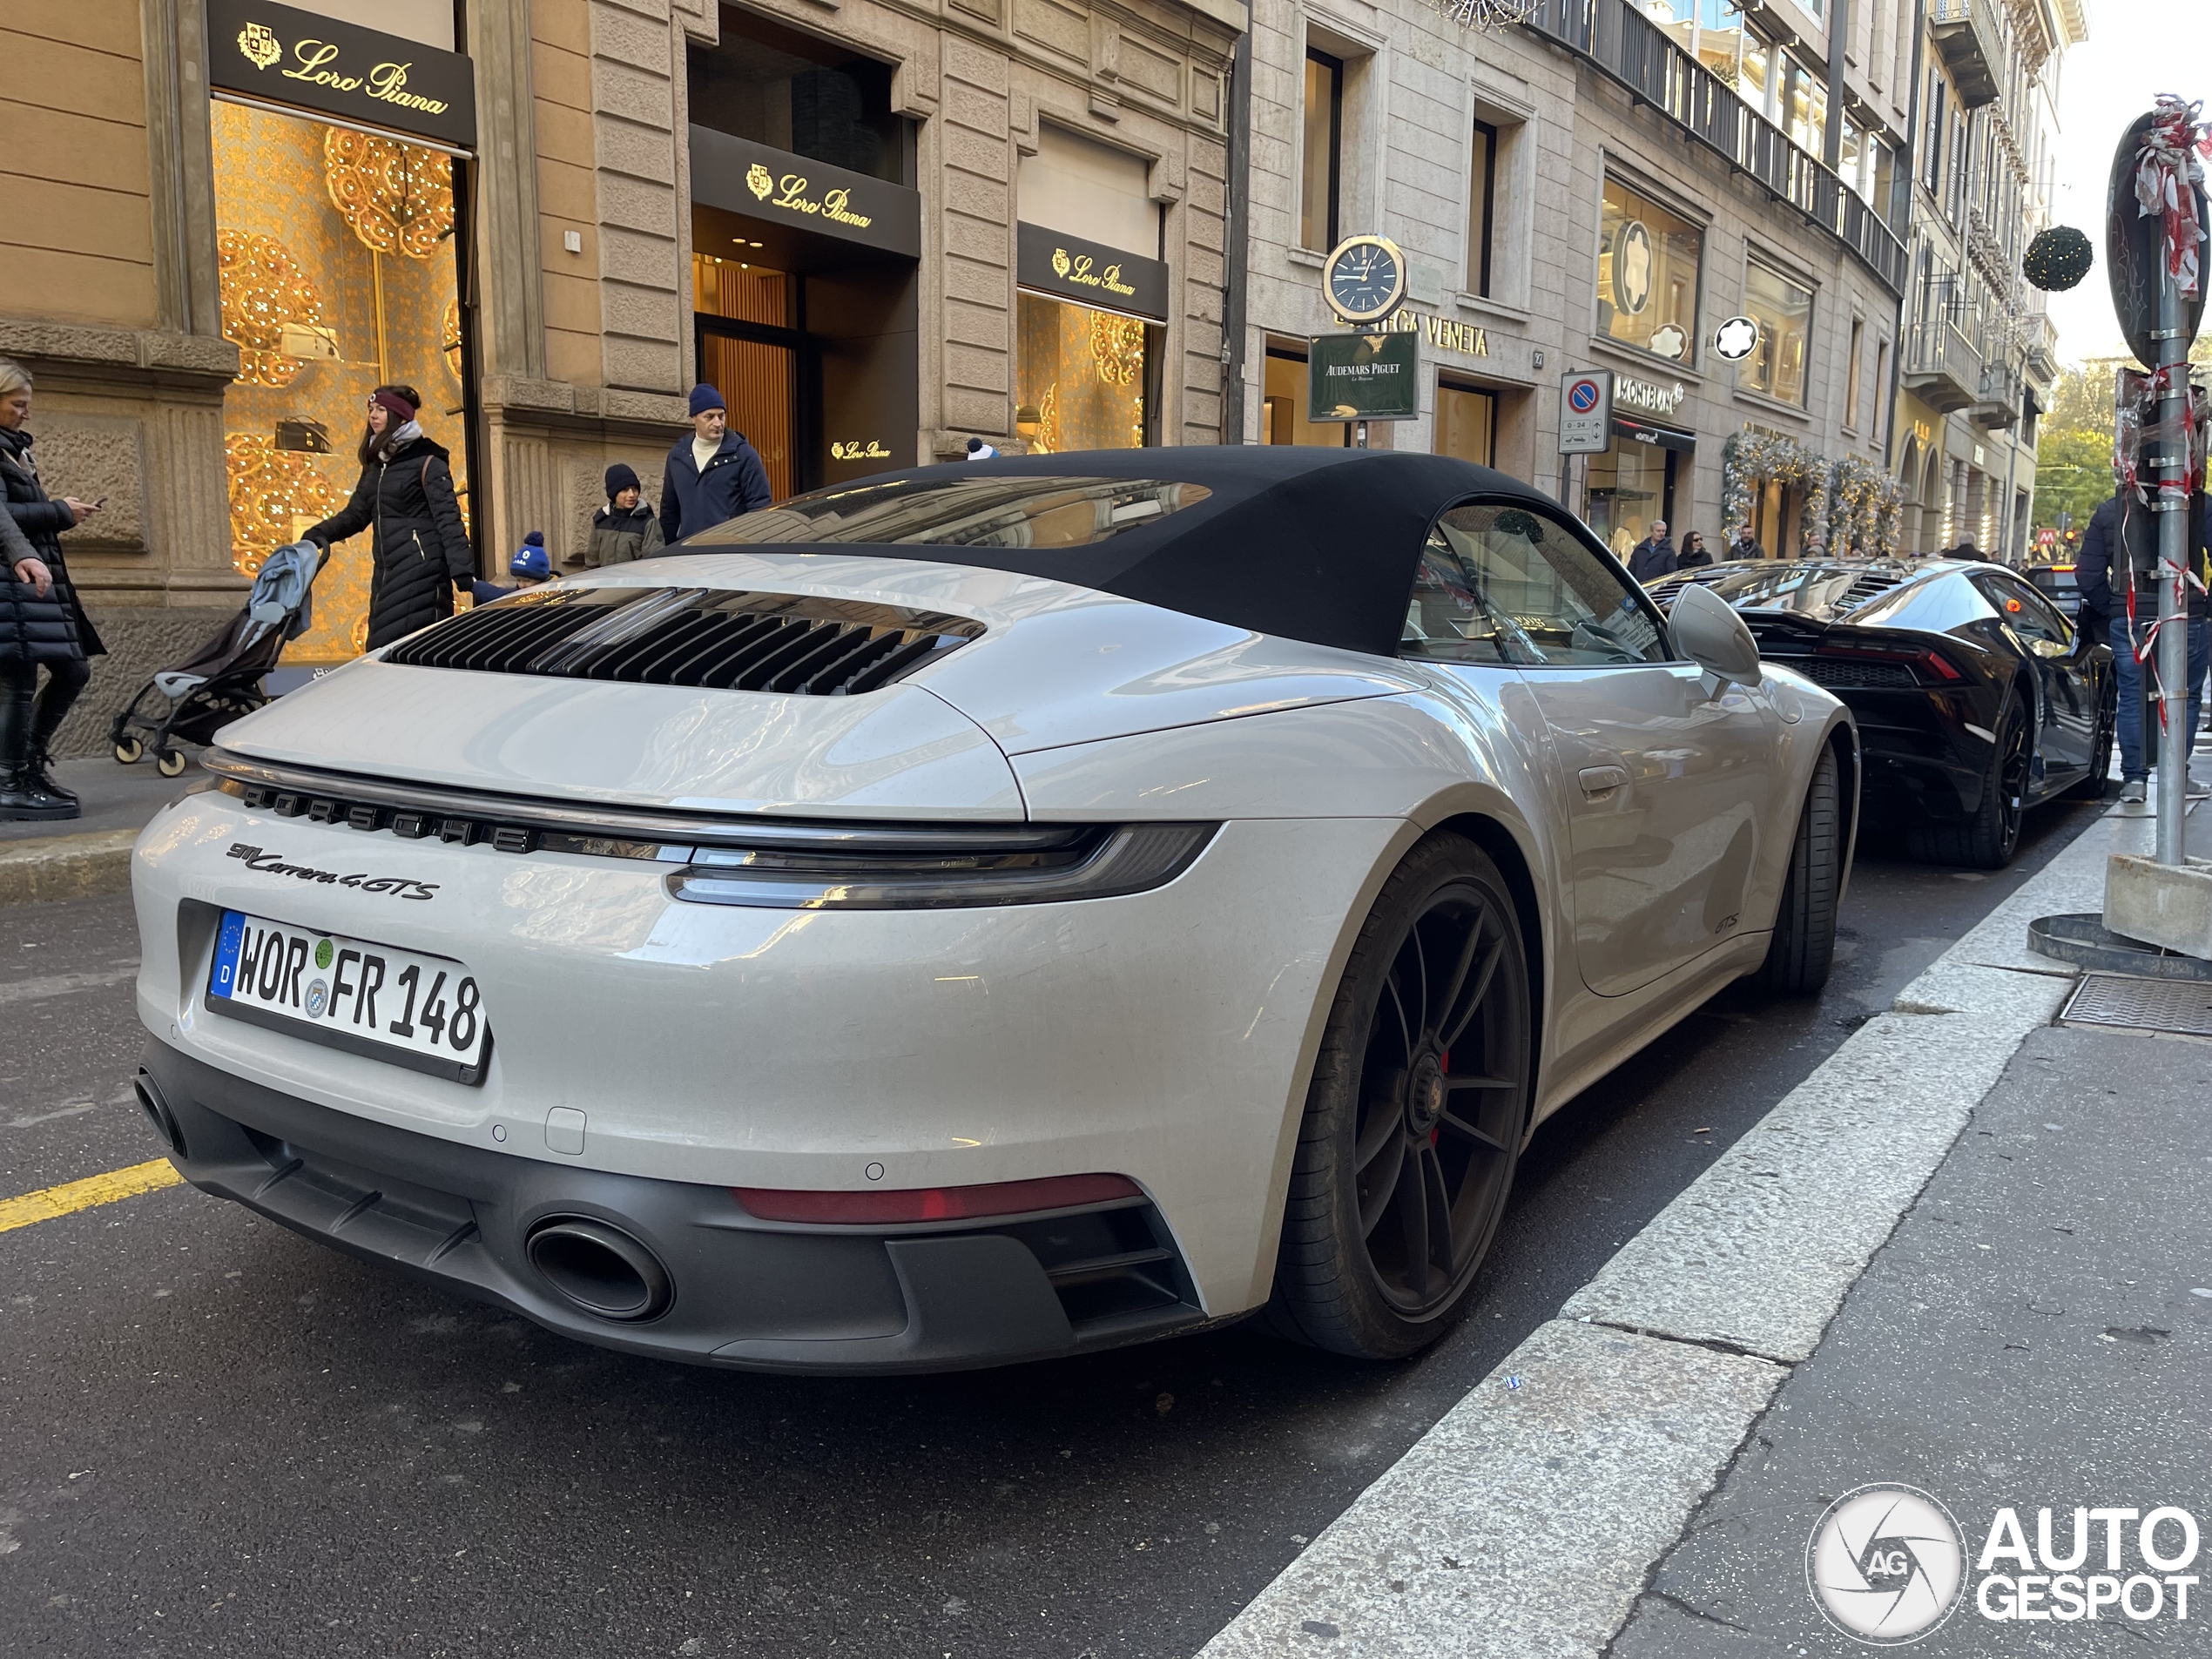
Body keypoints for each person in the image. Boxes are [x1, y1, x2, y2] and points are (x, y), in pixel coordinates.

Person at [0, 359, 104, 820]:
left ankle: (28, 768)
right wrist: (58, 511)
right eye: (17, 405)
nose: (26, 413)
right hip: (11, 583)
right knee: (18, 682)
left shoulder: (14, 450)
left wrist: (59, 511)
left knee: (73, 669)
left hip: (34, 586)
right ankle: (9, 780)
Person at [303, 385, 473, 650]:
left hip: (422, 572)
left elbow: (448, 520)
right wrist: (316, 534)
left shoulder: (427, 460)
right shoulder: (377, 465)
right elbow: (357, 514)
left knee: (407, 649)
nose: (373, 416)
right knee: (383, 649)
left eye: (381, 409)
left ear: (400, 416)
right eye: (371, 409)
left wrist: (463, 574)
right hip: (387, 572)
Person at [2076, 488, 2210, 804]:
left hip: (2132, 613)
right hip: (2185, 611)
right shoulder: (2199, 505)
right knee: (2185, 695)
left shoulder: (2111, 510)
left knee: (2133, 696)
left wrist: (2113, 607)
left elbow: (2088, 573)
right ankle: (2177, 774)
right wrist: (2206, 604)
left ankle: (2134, 780)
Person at [660, 384, 771, 543]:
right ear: (694, 417)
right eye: (710, 416)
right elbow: (669, 512)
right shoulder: (677, 456)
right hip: (687, 553)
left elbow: (760, 509)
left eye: (721, 416)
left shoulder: (743, 455)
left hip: (731, 553)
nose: (718, 423)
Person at [578, 464, 663, 568]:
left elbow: (654, 564)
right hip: (605, 582)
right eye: (625, 490)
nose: (631, 494)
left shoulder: (648, 522)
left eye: (635, 489)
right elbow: (592, 563)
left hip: (635, 583)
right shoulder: (601, 520)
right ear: (614, 493)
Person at [470, 533, 556, 606]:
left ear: (541, 578)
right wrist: (474, 584)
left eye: (527, 580)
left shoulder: (556, 594)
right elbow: (494, 594)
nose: (522, 585)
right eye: (518, 580)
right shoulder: (518, 593)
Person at [1626, 519, 1677, 583]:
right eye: (1658, 531)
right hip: (1639, 587)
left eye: (1663, 531)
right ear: (1651, 532)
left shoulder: (1669, 551)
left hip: (1657, 588)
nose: (1661, 533)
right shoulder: (1640, 549)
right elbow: (1631, 570)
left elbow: (1671, 573)